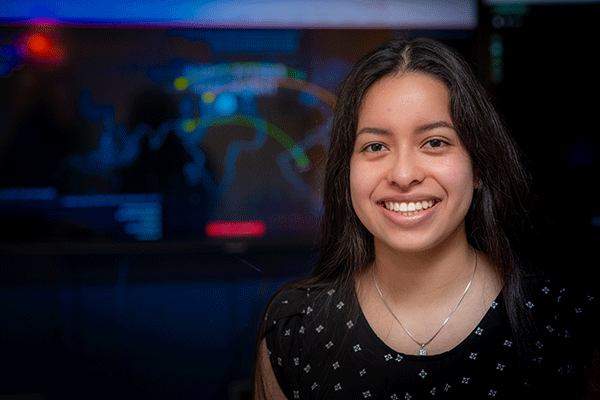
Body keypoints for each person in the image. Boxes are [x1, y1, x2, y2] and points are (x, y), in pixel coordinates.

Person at [252, 37, 598, 399]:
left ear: (478, 166)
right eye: (375, 146)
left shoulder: (565, 317)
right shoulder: (295, 328)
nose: (403, 175)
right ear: (346, 172)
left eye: (434, 142)